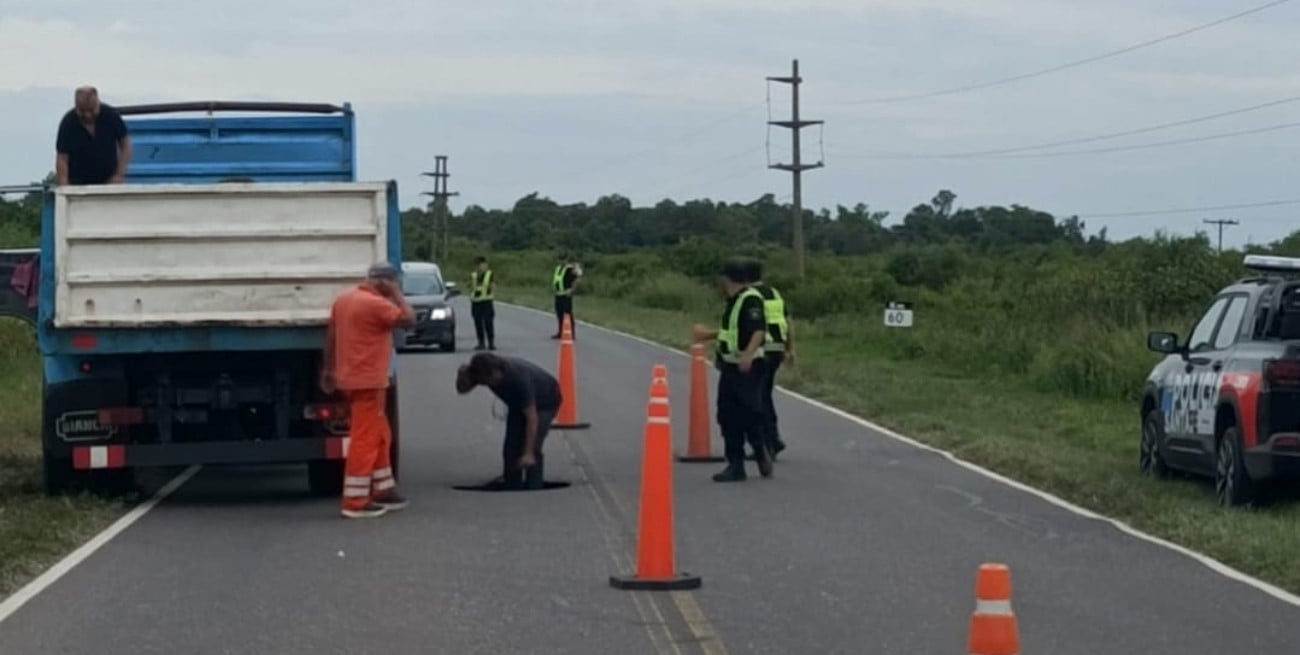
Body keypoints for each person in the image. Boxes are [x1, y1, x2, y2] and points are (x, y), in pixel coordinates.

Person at [320, 262, 416, 519]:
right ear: (384, 282)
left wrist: (328, 370)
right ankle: (355, 500)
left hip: (351, 378)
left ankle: (383, 488)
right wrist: (396, 295)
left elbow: (331, 336)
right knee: (365, 438)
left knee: (380, 433)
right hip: (369, 381)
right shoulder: (376, 304)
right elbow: (409, 319)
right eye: (393, 282)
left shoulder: (344, 300)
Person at [692, 259, 773, 482]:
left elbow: (758, 330)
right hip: (730, 366)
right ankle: (735, 464)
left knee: (749, 412)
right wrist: (712, 341)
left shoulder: (750, 300)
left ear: (725, 279)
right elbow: (732, 332)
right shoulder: (734, 301)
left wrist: (747, 355)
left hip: (749, 367)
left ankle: (759, 449)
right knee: (727, 415)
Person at [456, 352, 563, 490]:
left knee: (533, 445)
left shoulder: (519, 379)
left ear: (498, 370)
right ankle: (512, 484)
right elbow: (461, 390)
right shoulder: (481, 373)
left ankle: (534, 485)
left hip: (546, 401)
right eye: (488, 381)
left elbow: (532, 417)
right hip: (516, 404)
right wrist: (464, 374)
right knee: (511, 447)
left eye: (494, 377)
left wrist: (528, 453)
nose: (494, 382)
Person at [742, 259, 794, 459]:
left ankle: (769, 441)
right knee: (765, 394)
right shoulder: (774, 293)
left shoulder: (749, 297)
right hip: (777, 349)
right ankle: (770, 440)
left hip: (761, 350)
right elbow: (788, 321)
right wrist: (790, 348)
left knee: (758, 397)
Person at [55, 86, 132, 186]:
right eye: (82, 111)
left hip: (109, 182)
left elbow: (125, 145)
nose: (88, 115)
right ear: (76, 106)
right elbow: (62, 158)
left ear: (98, 103)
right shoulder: (68, 122)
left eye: (91, 110)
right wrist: (64, 188)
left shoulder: (111, 115)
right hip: (78, 185)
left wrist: (119, 174)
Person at [469, 256, 497, 351]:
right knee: (478, 323)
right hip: (476, 302)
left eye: (482, 265)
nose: (480, 267)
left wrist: (492, 293)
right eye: (478, 265)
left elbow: (493, 285)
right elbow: (471, 287)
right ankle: (481, 343)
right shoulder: (473, 275)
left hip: (486, 302)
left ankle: (491, 343)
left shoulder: (490, 274)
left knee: (488, 323)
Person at [551, 254, 581, 339]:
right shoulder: (558, 268)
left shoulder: (570, 269)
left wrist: (572, 290)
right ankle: (560, 332)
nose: (561, 262)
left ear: (566, 260)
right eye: (560, 260)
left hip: (566, 295)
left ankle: (571, 334)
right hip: (558, 294)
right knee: (559, 314)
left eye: (563, 260)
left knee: (568, 314)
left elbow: (578, 279)